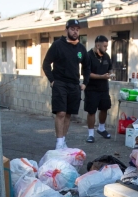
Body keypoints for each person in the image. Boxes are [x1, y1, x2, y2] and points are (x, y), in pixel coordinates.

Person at [42, 19, 88, 149]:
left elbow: (87, 66)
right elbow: (46, 63)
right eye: (72, 29)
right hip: (60, 83)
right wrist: (52, 80)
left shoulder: (81, 48)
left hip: (74, 85)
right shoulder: (58, 45)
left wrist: (85, 82)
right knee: (61, 113)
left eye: (77, 29)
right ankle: (59, 142)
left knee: (68, 114)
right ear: (67, 30)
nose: (75, 31)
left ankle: (63, 141)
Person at [82, 35, 114, 143]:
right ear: (97, 45)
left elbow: (110, 68)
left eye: (107, 46)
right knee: (91, 111)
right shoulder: (88, 56)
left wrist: (110, 74)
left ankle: (101, 128)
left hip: (104, 88)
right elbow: (87, 74)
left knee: (104, 108)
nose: (106, 48)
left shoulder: (106, 56)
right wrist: (101, 77)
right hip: (91, 89)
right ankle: (90, 134)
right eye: (104, 46)